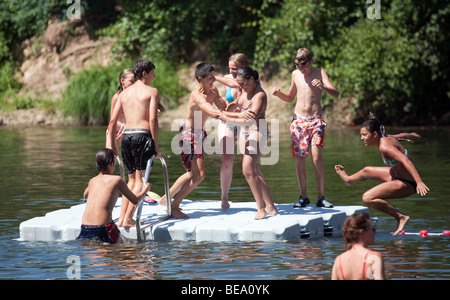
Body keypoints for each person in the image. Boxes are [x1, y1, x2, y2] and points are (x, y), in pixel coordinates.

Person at [334, 115, 429, 235]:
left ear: (374, 134)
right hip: (397, 175)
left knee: (367, 198)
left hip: (407, 183)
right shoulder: (385, 137)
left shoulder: (385, 147)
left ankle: (400, 217)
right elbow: (399, 136)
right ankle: (348, 179)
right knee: (366, 170)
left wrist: (419, 182)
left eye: (364, 135)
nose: (361, 138)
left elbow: (406, 161)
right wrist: (410, 134)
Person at [159, 63, 231, 219]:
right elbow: (211, 111)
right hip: (188, 135)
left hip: (199, 135)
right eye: (210, 77)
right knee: (200, 174)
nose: (214, 79)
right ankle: (174, 206)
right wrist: (224, 115)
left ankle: (166, 198)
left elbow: (222, 106)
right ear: (201, 78)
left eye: (214, 76)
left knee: (192, 173)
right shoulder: (195, 95)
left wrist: (238, 98)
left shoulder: (213, 90)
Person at [272, 48, 339, 208]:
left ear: (311, 62)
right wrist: (279, 94)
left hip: (316, 120)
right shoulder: (295, 75)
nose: (300, 68)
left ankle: (321, 197)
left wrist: (323, 87)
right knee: (300, 159)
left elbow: (335, 94)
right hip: (299, 121)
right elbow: (290, 97)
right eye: (296, 64)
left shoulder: (320, 73)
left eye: (303, 64)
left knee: (317, 158)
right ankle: (303, 196)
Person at [106, 59, 161, 228]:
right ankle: (129, 218)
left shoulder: (123, 94)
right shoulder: (151, 91)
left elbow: (113, 120)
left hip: (127, 138)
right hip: (142, 136)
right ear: (144, 74)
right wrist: (156, 145)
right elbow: (152, 119)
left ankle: (122, 219)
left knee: (131, 182)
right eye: (152, 73)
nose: (154, 76)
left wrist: (113, 145)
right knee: (141, 182)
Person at [218, 67, 277, 220]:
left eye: (243, 83)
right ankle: (270, 206)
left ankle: (261, 208)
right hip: (245, 132)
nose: (241, 87)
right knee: (254, 169)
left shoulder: (260, 95)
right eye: (239, 84)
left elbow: (250, 119)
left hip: (258, 131)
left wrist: (225, 117)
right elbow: (237, 109)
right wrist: (222, 112)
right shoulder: (245, 91)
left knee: (247, 169)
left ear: (251, 78)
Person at [77, 148, 150, 244]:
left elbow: (85, 195)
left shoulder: (92, 181)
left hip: (85, 227)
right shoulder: (117, 180)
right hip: (104, 228)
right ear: (110, 164)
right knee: (122, 250)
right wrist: (146, 189)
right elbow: (135, 200)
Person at [214, 53, 250, 209]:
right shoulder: (226, 79)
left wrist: (214, 78)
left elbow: (237, 86)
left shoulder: (250, 78)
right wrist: (214, 98)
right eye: (230, 69)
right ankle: (224, 198)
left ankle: (261, 198)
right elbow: (224, 102)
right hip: (228, 121)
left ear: (243, 67)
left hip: (244, 122)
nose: (232, 72)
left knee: (248, 162)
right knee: (227, 159)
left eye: (235, 69)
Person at [331, 213, 385, 280]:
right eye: (372, 229)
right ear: (362, 232)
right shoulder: (374, 257)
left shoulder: (338, 260)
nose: (374, 233)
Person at [106, 69, 135, 151]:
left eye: (135, 81)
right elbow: (112, 120)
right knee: (110, 159)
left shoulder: (134, 98)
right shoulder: (117, 97)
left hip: (128, 132)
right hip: (115, 132)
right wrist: (127, 127)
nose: (133, 84)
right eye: (131, 81)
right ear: (122, 81)